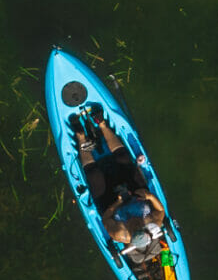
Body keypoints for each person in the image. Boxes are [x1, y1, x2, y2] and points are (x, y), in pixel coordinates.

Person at [72, 106, 169, 261]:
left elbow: (106, 219)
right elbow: (160, 210)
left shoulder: (119, 234)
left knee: (94, 175)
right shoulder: (152, 223)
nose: (138, 225)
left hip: (111, 202)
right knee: (124, 159)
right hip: (133, 194)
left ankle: (81, 137)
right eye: (141, 227)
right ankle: (101, 124)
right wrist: (149, 196)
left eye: (135, 228)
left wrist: (117, 203)